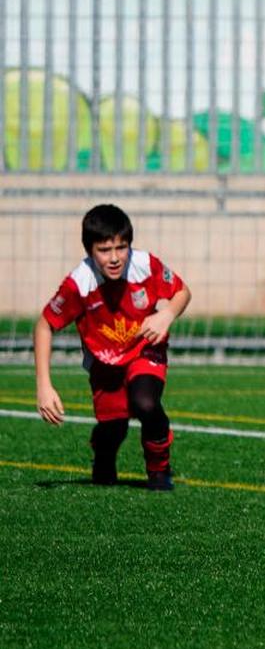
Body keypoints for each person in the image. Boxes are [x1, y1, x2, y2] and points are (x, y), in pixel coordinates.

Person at [34, 204, 191, 490]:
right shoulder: (78, 284)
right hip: (104, 361)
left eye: (122, 247)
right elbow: (44, 325)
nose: (115, 257)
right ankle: (103, 455)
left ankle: (159, 470)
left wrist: (166, 314)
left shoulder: (145, 264)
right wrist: (44, 385)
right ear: (89, 250)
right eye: (105, 250)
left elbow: (182, 291)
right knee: (113, 427)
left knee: (146, 402)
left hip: (145, 348)